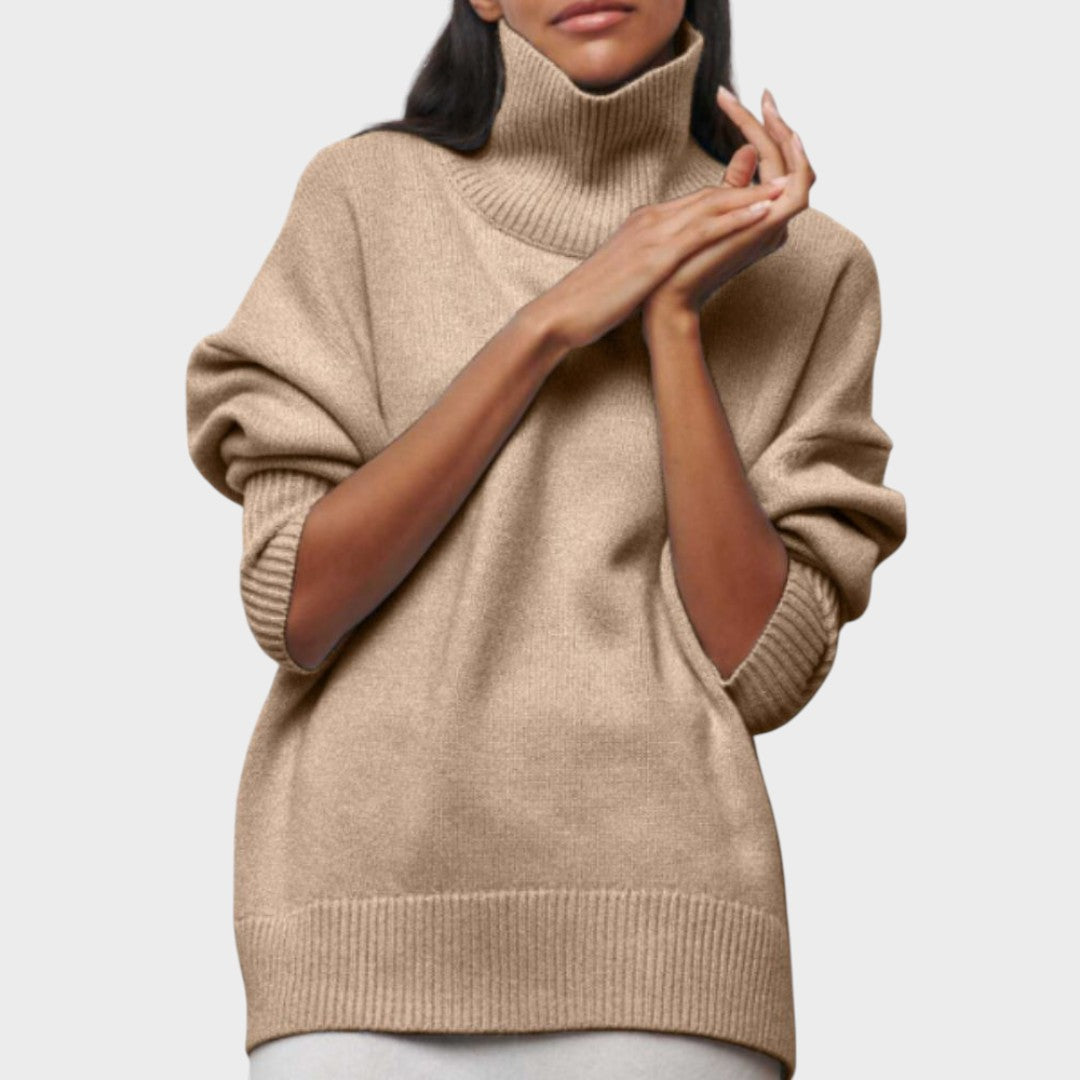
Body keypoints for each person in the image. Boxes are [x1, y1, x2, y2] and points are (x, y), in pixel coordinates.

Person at [184, 1, 907, 1078]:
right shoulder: (362, 201)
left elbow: (761, 670)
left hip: (668, 943)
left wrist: (673, 320)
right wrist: (552, 323)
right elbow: (295, 606)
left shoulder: (811, 267)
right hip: (361, 929)